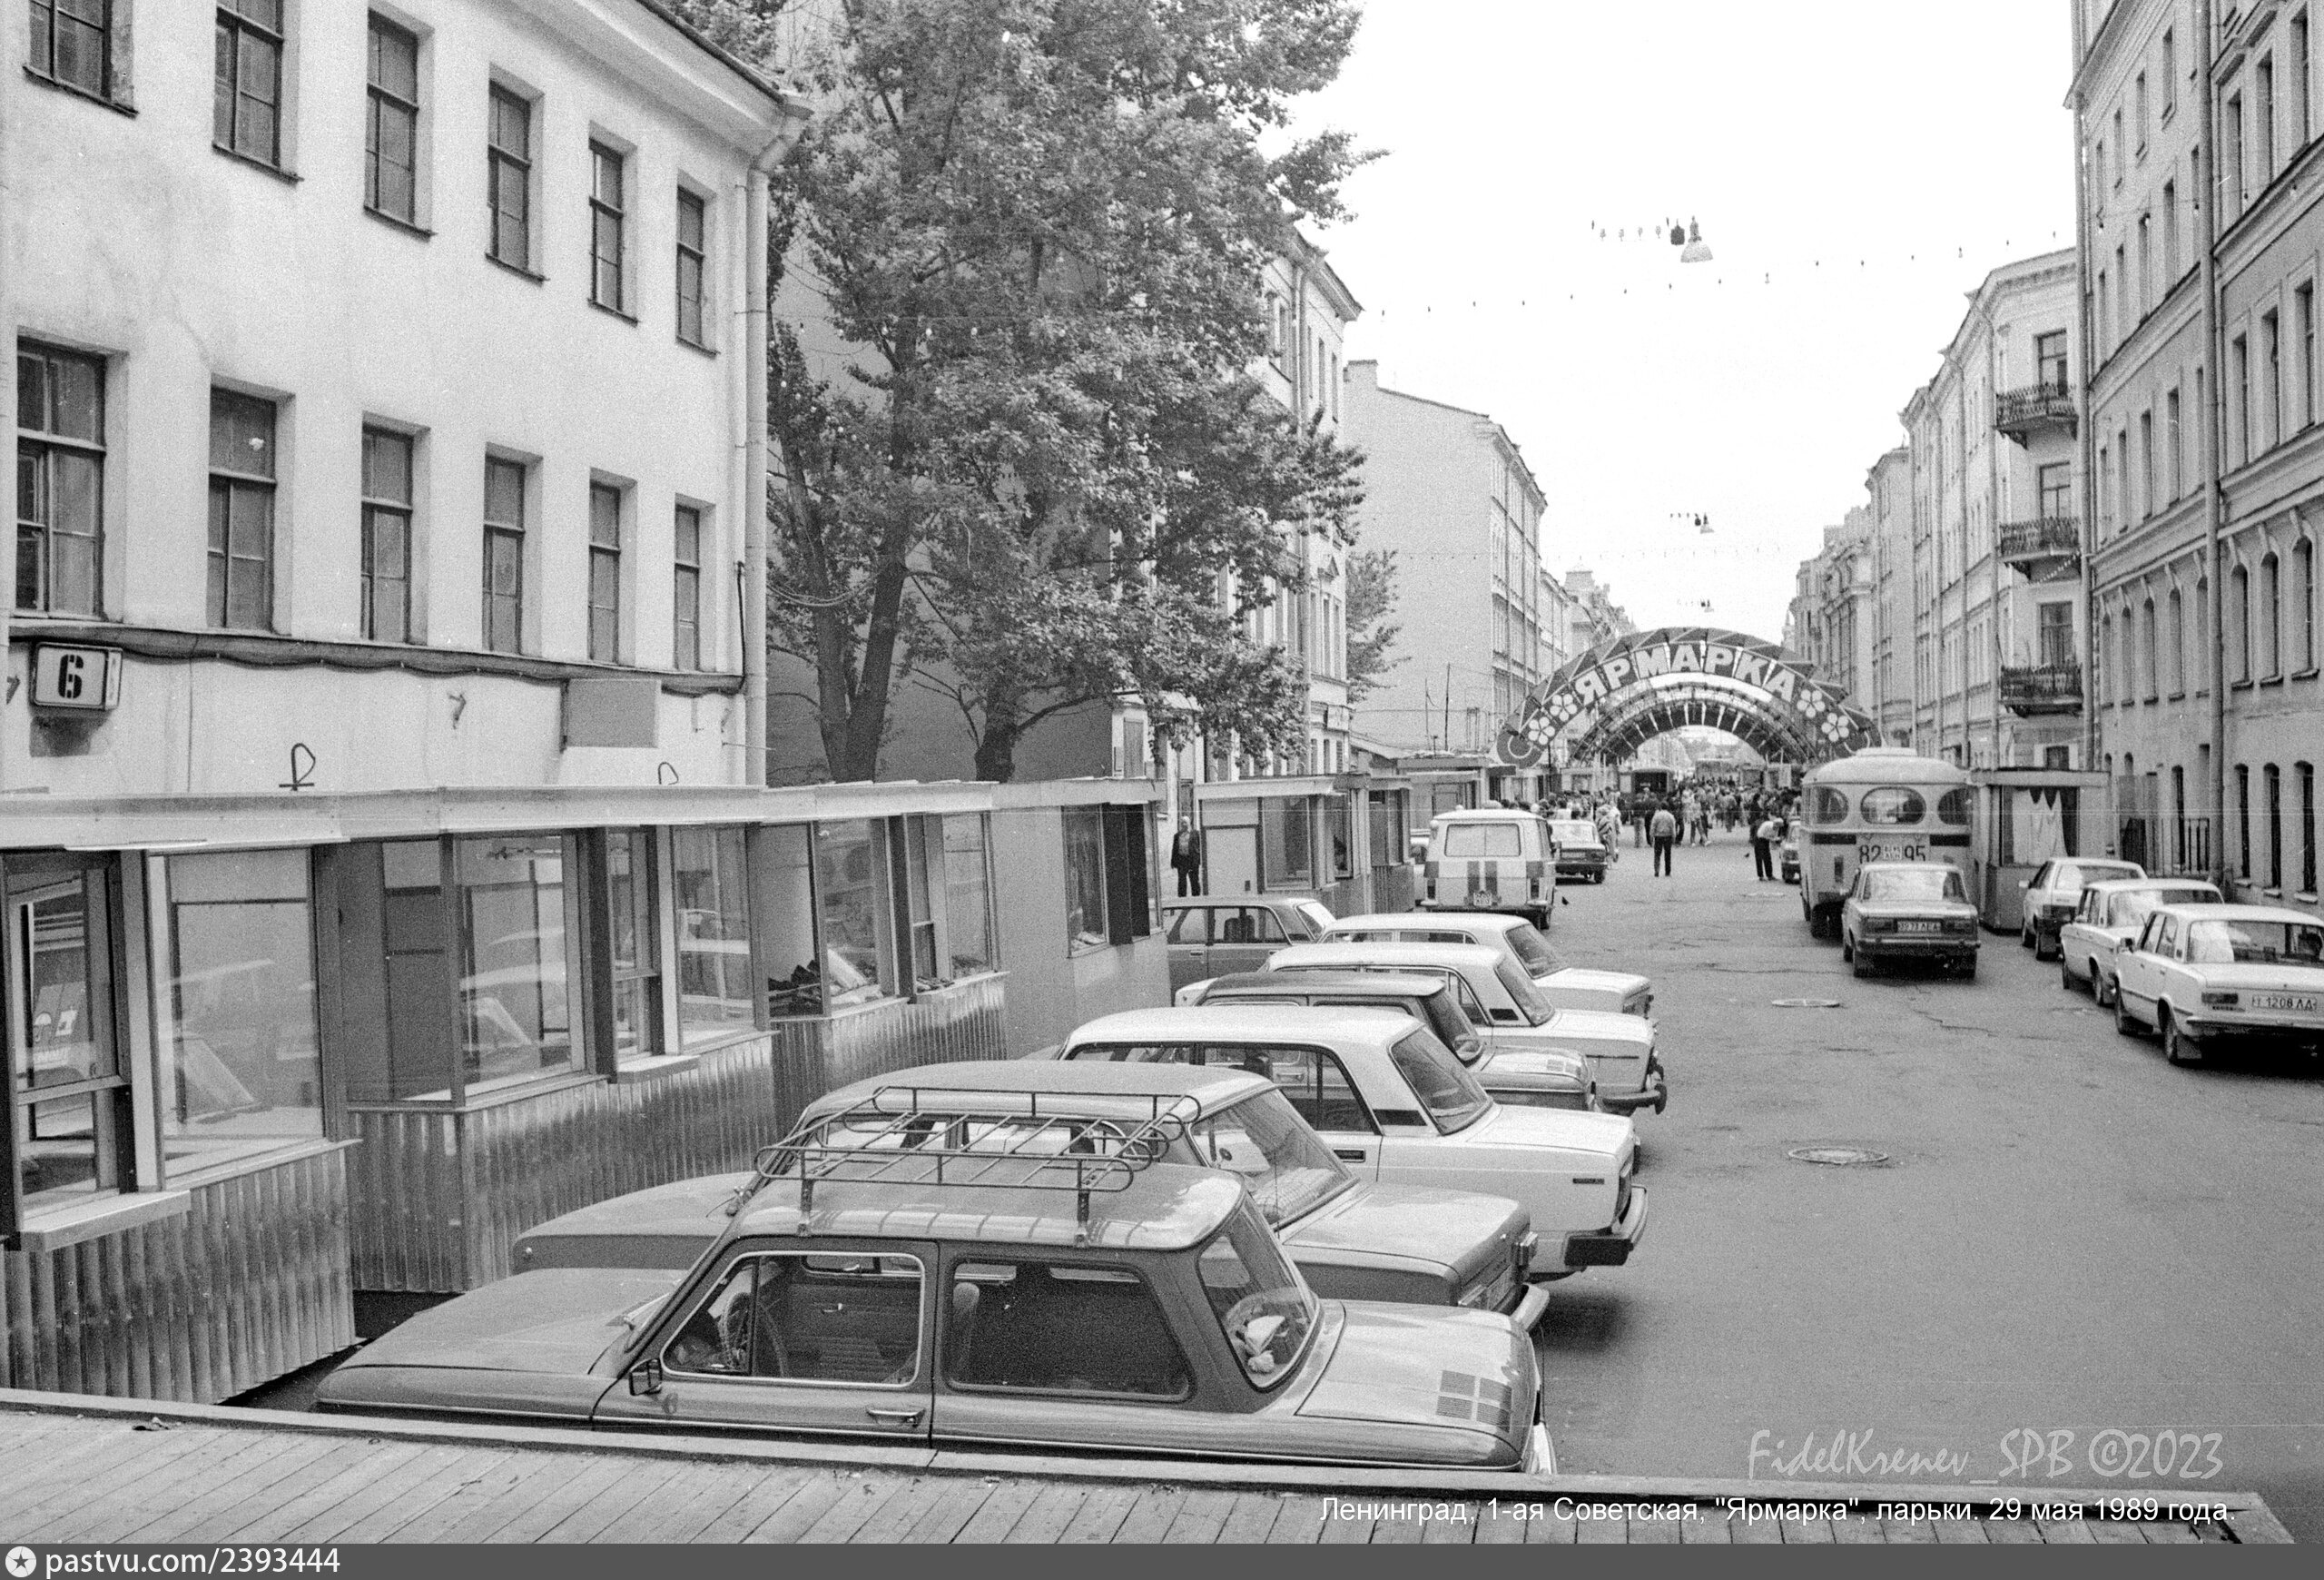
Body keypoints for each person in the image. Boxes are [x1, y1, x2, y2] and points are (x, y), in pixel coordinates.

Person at [1169, 823, 1204, 896]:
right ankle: (1182, 897)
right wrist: (1173, 862)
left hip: (1192, 860)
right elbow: (1174, 849)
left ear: (1189, 824)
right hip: (1182, 860)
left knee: (1194, 879)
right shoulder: (1177, 835)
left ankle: (1196, 897)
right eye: (1182, 823)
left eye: (1185, 822)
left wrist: (1199, 858)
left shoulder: (1195, 834)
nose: (1184, 824)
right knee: (1181, 880)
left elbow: (1200, 846)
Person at [1649, 802, 1679, 877]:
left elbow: (1653, 826)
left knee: (1657, 854)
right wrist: (1674, 837)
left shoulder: (1656, 816)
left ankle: (1657, 870)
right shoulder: (1670, 816)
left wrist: (1651, 836)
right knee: (1668, 854)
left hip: (1658, 836)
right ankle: (1667, 871)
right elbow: (1673, 828)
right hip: (1667, 836)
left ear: (1660, 807)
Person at [1751, 811, 1779, 882]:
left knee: (1767, 857)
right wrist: (1770, 839)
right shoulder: (1767, 825)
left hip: (1766, 841)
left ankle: (1770, 875)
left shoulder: (1776, 828)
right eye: (1775, 827)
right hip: (1759, 839)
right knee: (1759, 858)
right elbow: (1760, 835)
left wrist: (1775, 842)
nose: (1776, 828)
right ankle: (1761, 876)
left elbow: (1774, 838)